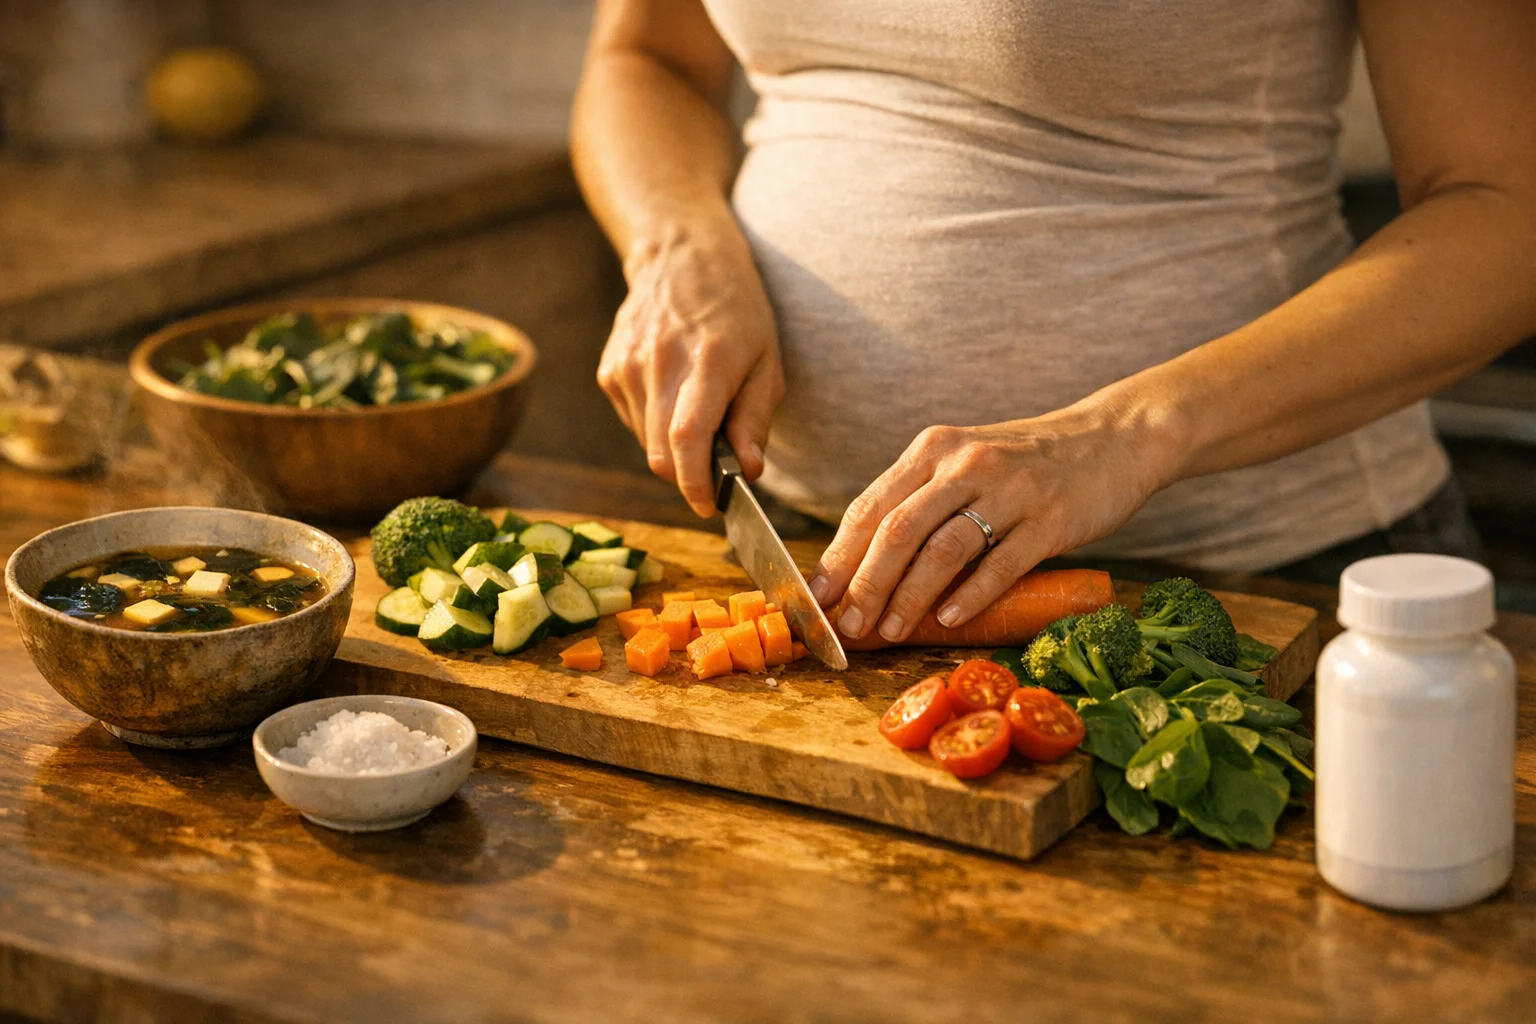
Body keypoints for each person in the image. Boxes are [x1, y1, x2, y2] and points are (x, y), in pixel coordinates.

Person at [571, 0, 1536, 646]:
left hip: (1257, 585)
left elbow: (1508, 210)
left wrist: (1123, 434)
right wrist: (673, 246)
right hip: (816, 556)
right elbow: (648, 56)